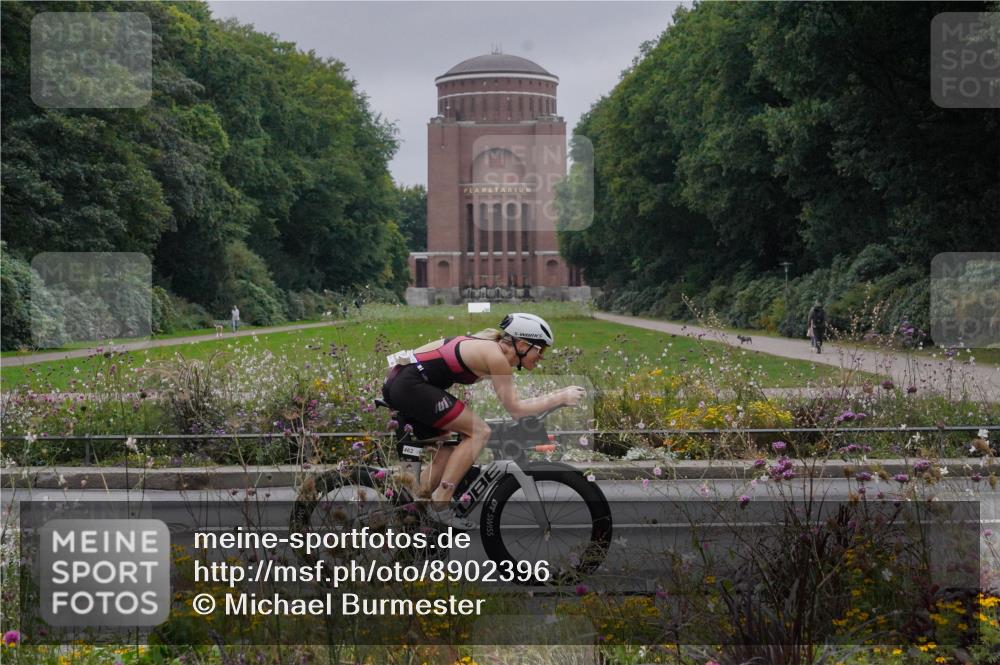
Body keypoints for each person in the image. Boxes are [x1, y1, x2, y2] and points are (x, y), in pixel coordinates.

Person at [381, 313, 585, 529]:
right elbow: (516, 409)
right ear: (523, 344)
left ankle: (412, 508)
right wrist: (559, 397)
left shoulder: (492, 349)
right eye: (540, 349)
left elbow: (514, 403)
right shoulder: (495, 356)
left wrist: (557, 398)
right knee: (479, 432)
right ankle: (441, 503)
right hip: (410, 384)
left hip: (402, 382)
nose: (541, 356)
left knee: (448, 449)